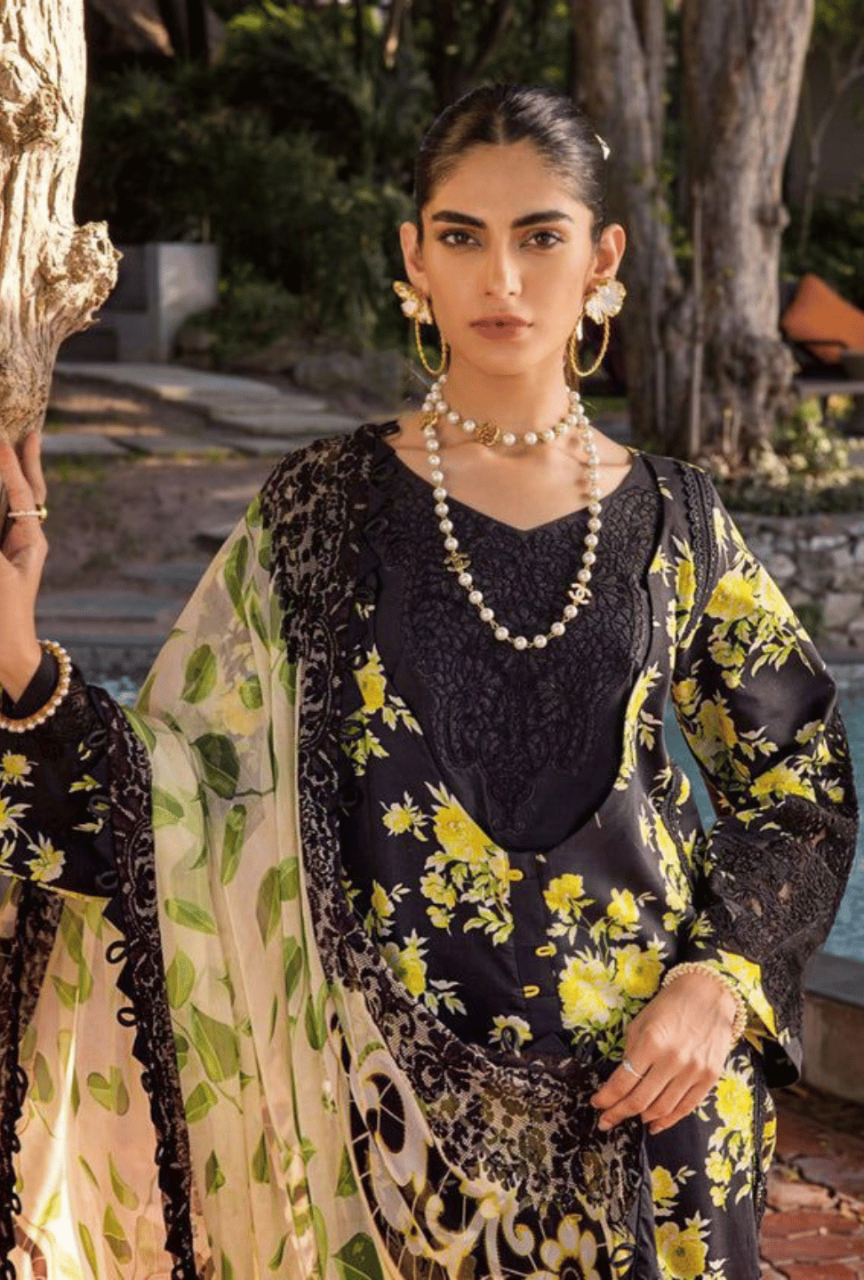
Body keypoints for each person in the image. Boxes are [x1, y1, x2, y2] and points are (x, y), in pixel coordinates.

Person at [0, 83, 857, 1280]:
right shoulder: (319, 514)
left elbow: (799, 786)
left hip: (656, 1127)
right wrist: (18, 659)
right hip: (380, 1135)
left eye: (540, 235)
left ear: (603, 257)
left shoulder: (678, 519)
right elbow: (179, 804)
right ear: (415, 256)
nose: (502, 278)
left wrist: (723, 980)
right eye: (463, 235)